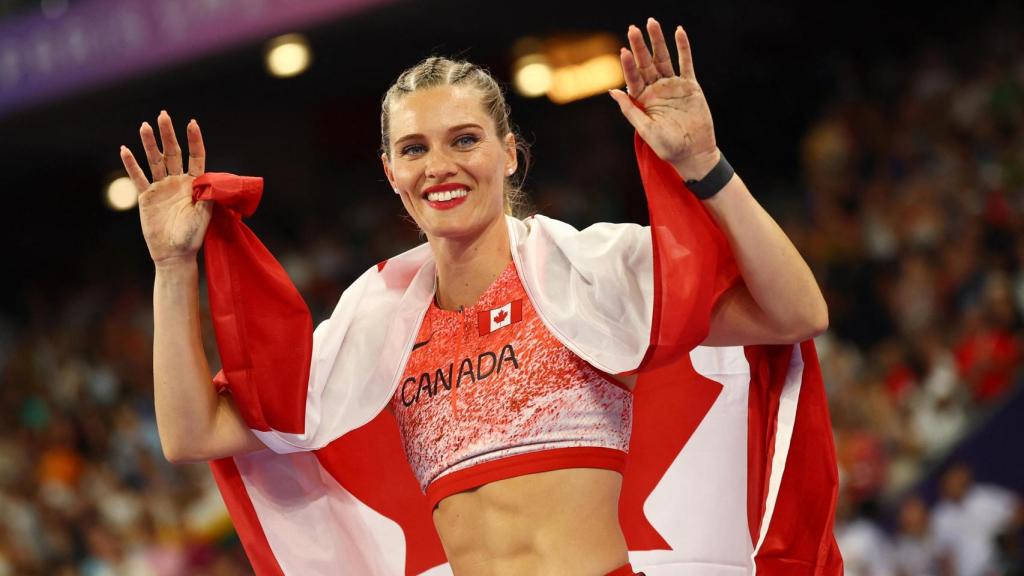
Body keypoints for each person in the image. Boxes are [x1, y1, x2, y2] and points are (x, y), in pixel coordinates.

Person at [119, 18, 830, 576]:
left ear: (510, 152)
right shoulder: (379, 315)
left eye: (464, 139)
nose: (441, 167)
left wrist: (705, 167)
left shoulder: (588, 268)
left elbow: (797, 313)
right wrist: (173, 266)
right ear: (390, 172)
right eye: (415, 149)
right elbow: (192, 434)